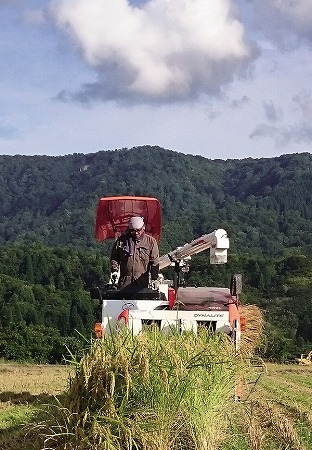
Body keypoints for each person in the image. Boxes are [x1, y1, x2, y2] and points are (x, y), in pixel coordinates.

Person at [110, 216, 159, 291]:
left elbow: (154, 262)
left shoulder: (150, 242)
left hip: (142, 282)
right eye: (133, 231)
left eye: (138, 230)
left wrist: (154, 278)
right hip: (125, 282)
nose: (136, 233)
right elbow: (115, 257)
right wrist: (114, 271)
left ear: (143, 227)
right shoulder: (122, 241)